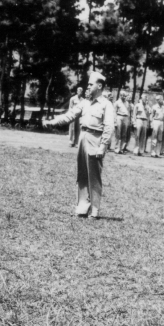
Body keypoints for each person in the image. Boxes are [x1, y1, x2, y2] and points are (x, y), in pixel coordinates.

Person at [43, 71, 115, 218]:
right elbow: (69, 115)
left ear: (99, 85)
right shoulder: (85, 103)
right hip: (82, 138)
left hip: (95, 139)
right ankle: (82, 206)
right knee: (82, 174)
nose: (87, 87)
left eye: (90, 84)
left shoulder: (106, 104)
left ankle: (94, 209)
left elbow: (109, 127)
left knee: (94, 176)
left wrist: (103, 146)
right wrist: (52, 122)